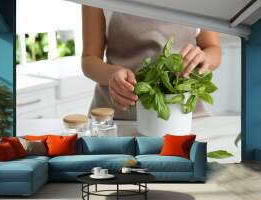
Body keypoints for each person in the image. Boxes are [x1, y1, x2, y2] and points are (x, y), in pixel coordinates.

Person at [81, 5, 221, 120]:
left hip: (183, 115)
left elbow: (213, 49)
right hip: (116, 119)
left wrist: (202, 58)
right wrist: (112, 74)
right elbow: (89, 58)